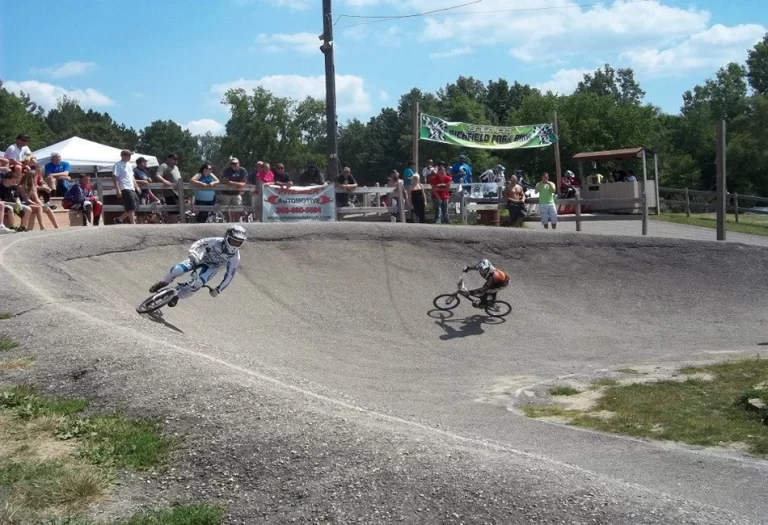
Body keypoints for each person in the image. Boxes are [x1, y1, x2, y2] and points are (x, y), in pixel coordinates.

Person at [148, 225, 247, 308]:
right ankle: (163, 282)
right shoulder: (216, 241)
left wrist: (218, 289)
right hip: (200, 258)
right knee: (177, 270)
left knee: (197, 285)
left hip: (212, 268)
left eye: (238, 242)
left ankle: (177, 297)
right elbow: (200, 242)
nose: (235, 245)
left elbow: (230, 275)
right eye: (233, 241)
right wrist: (193, 252)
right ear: (226, 237)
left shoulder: (235, 257)